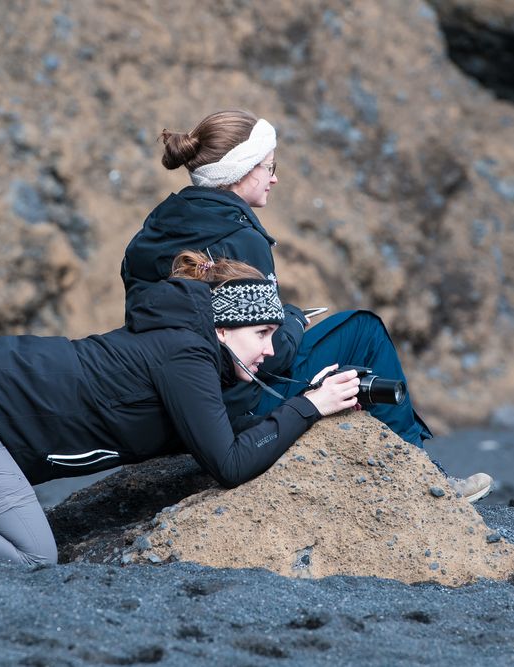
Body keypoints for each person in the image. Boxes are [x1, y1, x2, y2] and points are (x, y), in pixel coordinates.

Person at [0, 251, 361, 563]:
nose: (269, 349)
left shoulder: (188, 349)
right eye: (263, 333)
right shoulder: (186, 353)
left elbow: (223, 432)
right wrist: (309, 407)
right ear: (225, 324)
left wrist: (294, 402)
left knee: (7, 534)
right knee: (30, 555)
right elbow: (231, 463)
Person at [121, 109, 492, 502]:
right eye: (269, 166)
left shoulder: (155, 227)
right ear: (242, 171)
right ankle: (423, 479)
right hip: (229, 408)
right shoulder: (240, 238)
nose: (275, 177)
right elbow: (263, 359)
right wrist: (292, 321)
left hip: (170, 403)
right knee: (362, 332)